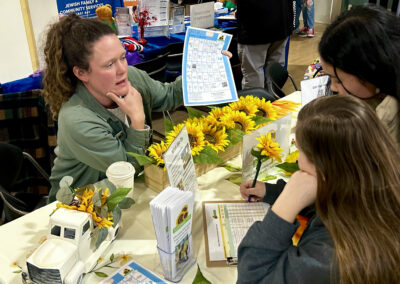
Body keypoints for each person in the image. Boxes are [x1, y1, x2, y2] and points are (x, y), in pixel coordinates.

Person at [237, 95, 400, 284]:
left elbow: (251, 277)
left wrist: (285, 205)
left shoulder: (327, 256)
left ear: (324, 166)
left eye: (300, 151)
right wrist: (274, 192)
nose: (298, 161)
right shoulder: (374, 188)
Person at [42, 14, 184, 202]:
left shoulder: (131, 77)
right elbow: (127, 169)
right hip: (79, 207)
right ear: (81, 73)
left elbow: (169, 96)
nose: (122, 69)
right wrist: (137, 122)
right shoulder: (76, 119)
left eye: (123, 57)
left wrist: (204, 69)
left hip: (123, 194)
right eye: (109, 64)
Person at [318, 4, 400, 147]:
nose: (333, 87)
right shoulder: (377, 95)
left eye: (337, 79)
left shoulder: (390, 118)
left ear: (368, 72)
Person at [233, 0, 293, 89]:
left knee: (254, 77)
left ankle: (257, 101)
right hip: (282, 21)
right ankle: (273, 100)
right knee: (274, 74)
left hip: (254, 27)